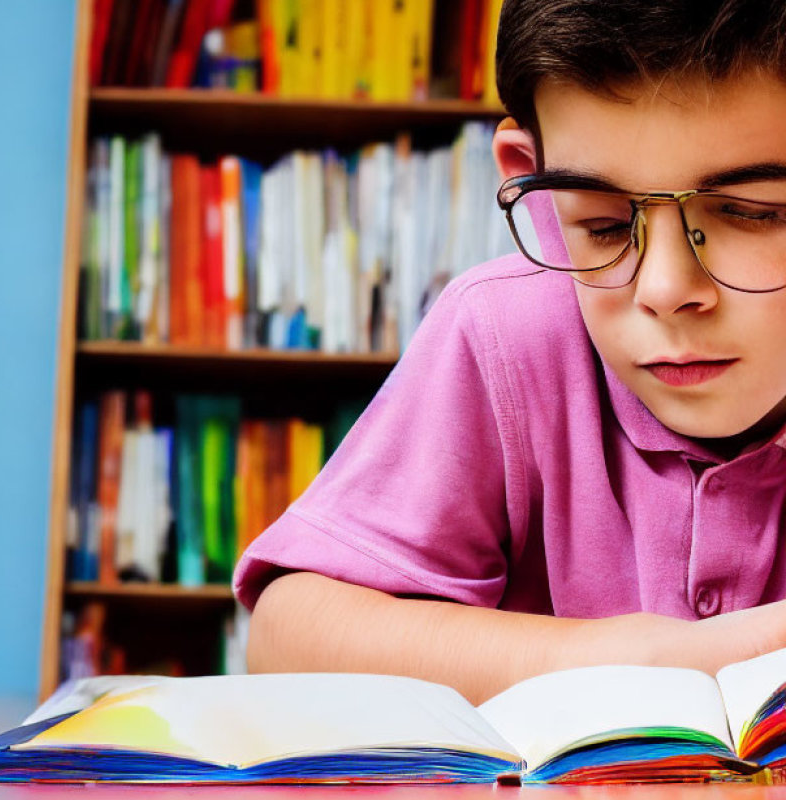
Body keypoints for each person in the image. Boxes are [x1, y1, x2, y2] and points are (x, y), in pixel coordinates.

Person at [232, 0, 786, 705]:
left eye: (752, 211)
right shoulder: (506, 330)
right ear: (531, 177)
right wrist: (657, 660)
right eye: (605, 225)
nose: (666, 290)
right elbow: (289, 638)